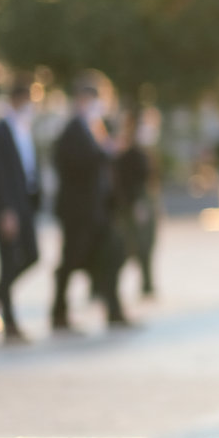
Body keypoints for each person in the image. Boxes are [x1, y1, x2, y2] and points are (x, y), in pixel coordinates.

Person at [51, 73, 131, 332]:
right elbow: (72, 165)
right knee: (72, 261)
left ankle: (113, 310)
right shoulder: (73, 129)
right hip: (79, 212)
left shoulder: (96, 128)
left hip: (98, 210)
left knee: (113, 253)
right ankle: (59, 312)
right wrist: (104, 153)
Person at [0, 77, 42, 343]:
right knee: (7, 260)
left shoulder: (24, 129)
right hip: (6, 207)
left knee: (31, 255)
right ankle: (10, 323)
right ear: (16, 100)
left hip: (24, 203)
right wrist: (5, 210)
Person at [113, 108, 159, 298]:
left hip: (145, 201)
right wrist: (137, 203)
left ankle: (147, 284)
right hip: (135, 203)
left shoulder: (145, 151)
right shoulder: (129, 153)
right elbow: (129, 181)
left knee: (146, 244)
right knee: (135, 244)